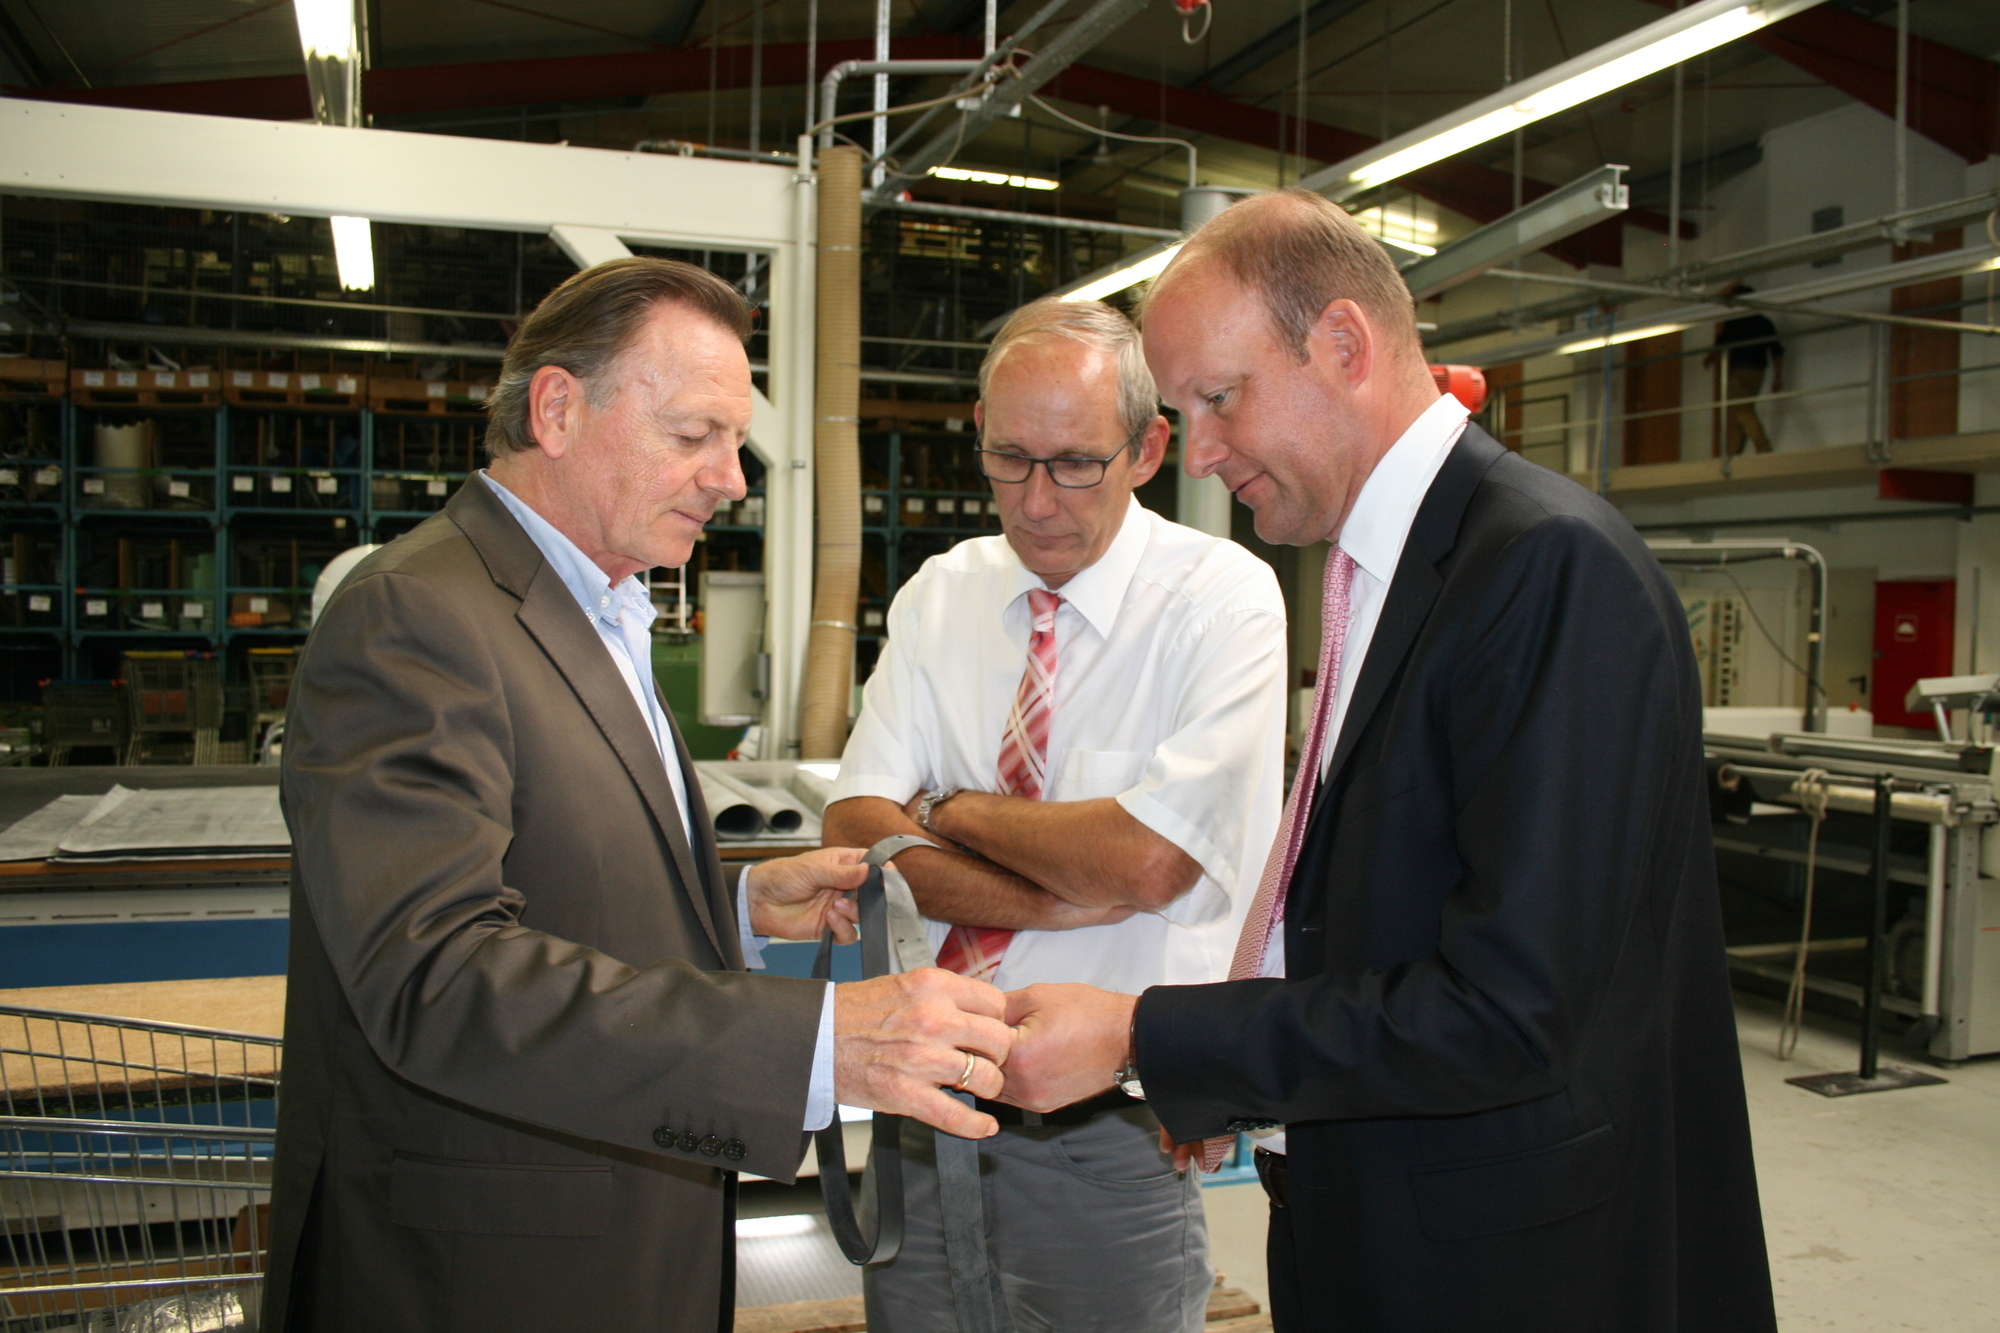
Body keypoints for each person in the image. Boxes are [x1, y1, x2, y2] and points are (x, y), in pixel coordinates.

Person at [999, 192, 1777, 1333]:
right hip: (1376, 1215)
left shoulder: (1540, 569)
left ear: (1345, 347)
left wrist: (1145, 1036)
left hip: (1505, 1265)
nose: (1200, 455)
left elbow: (1508, 1008)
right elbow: (1371, 907)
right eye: (1183, 410)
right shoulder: (1386, 569)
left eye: (1219, 399)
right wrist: (1242, 1079)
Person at [264, 257, 1014, 1333]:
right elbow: (435, 977)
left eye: (733, 441)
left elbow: (556, 885)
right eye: (691, 435)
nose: (731, 479)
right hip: (484, 1272)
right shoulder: (413, 616)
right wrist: (812, 1042)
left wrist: (733, 916)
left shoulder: (600, 606)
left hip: (613, 1236)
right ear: (558, 409)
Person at [822, 298, 1287, 1333]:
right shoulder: (942, 594)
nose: (1034, 501)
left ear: (1147, 447)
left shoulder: (1221, 604)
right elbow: (854, 825)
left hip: (1110, 1121)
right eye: (1008, 457)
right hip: (922, 1090)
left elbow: (1152, 862)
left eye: (1074, 462)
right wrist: (1060, 888)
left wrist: (945, 809)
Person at [1705, 283, 1785, 457]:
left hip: (1739, 371)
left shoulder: (1734, 322)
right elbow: (1776, 351)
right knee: (1739, 411)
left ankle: (1763, 447)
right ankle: (1733, 454)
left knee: (1742, 410)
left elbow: (1720, 344)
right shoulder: (1764, 322)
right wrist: (1778, 376)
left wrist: (1710, 358)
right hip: (1758, 372)